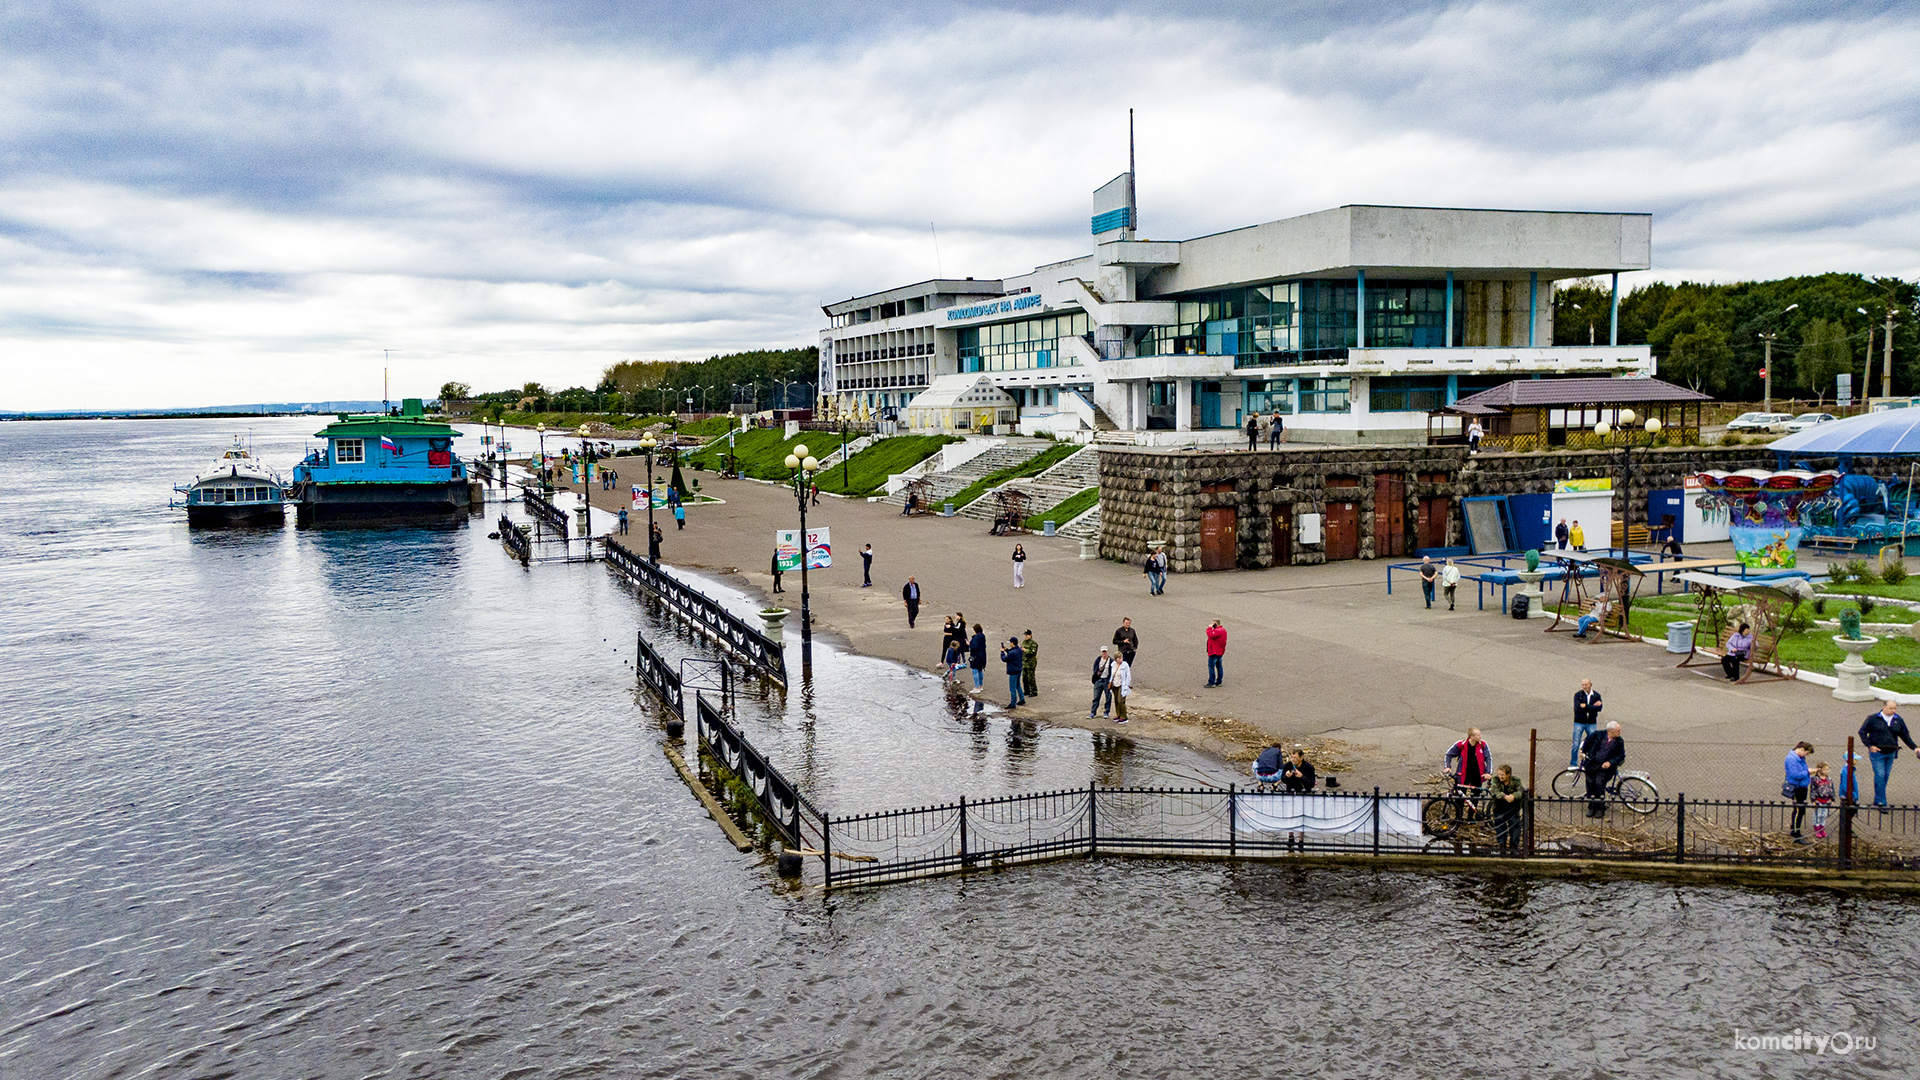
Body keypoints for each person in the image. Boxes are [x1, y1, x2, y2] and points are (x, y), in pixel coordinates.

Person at [1858, 699, 1918, 809]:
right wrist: (1870, 745)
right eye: (1891, 708)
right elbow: (1862, 732)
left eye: (1895, 708)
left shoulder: (1898, 720)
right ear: (1884, 707)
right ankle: (1882, 803)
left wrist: (1915, 748)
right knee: (1880, 775)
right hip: (1877, 753)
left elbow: (1905, 735)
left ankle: (1878, 799)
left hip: (1891, 752)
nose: (1894, 711)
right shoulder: (1873, 719)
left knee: (1885, 776)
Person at [1580, 721, 1625, 818]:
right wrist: (1582, 751)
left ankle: (1600, 808)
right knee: (1590, 783)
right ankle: (1591, 807)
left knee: (1599, 783)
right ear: (1611, 731)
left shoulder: (1619, 741)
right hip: (1592, 764)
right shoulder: (1597, 735)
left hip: (1606, 768)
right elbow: (1587, 741)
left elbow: (1621, 755)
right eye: (1618, 730)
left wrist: (1610, 762)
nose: (1620, 732)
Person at [1488, 764, 1526, 854]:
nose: (1500, 776)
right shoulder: (1495, 780)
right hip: (1499, 808)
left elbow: (1520, 791)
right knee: (1500, 829)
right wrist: (1505, 796)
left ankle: (1513, 848)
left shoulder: (1516, 781)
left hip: (1512, 808)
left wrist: (1513, 796)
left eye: (1502, 775)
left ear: (1508, 775)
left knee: (1515, 829)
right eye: (1499, 774)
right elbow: (1494, 791)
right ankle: (1502, 848)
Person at [1785, 740, 1814, 843]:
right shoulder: (1791, 759)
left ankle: (1795, 829)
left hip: (1802, 787)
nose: (1806, 755)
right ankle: (1796, 833)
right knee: (1799, 810)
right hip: (1797, 787)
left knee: (1799, 810)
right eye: (1806, 753)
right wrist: (1807, 772)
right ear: (1802, 749)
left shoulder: (1800, 758)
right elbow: (1794, 774)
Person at [1572, 679, 1603, 767]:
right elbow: (1578, 708)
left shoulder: (1596, 695)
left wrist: (1586, 706)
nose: (1584, 687)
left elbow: (1599, 708)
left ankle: (1591, 762)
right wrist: (1592, 707)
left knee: (1593, 742)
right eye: (1583, 685)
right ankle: (1573, 764)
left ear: (1590, 685)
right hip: (1579, 722)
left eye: (1586, 685)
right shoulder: (1578, 695)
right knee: (1576, 743)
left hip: (1591, 723)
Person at [1811, 761, 1835, 840]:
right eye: (1825, 770)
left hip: (1826, 800)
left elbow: (1831, 789)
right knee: (1817, 815)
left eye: (1828, 770)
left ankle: (1822, 828)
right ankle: (1817, 829)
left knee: (1823, 815)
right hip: (1818, 800)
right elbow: (1813, 790)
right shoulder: (1815, 779)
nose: (1826, 772)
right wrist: (1813, 799)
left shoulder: (1829, 779)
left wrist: (1832, 798)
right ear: (1819, 770)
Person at [1088, 646, 1115, 718]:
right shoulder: (1098, 660)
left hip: (1106, 681)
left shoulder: (1111, 660)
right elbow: (1095, 669)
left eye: (1105, 652)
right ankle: (1093, 712)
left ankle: (1106, 712)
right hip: (1099, 681)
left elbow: (1112, 671)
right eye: (1103, 652)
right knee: (1096, 697)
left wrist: (1110, 681)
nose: (1104, 653)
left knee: (1108, 697)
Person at [1001, 637, 1026, 707]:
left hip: (1013, 671)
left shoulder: (1012, 653)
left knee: (1012, 688)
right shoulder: (1019, 650)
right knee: (1018, 685)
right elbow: (1011, 653)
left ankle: (1013, 703)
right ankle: (1022, 699)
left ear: (1012, 643)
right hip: (1018, 670)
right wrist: (1006, 650)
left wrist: (1002, 652)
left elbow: (1004, 659)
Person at [1109, 652, 1132, 723]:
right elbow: (1112, 674)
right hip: (1114, 684)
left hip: (1122, 685)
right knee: (1116, 700)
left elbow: (1128, 676)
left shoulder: (1125, 665)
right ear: (1116, 659)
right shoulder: (1113, 665)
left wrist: (1127, 685)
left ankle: (1124, 717)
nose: (1120, 659)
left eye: (1121, 658)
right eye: (1119, 658)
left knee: (1121, 700)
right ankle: (1118, 715)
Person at [1204, 619, 1227, 687]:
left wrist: (1209, 627)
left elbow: (1210, 634)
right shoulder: (1223, 630)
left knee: (1211, 666)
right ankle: (1219, 681)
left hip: (1214, 651)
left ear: (1215, 623)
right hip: (1220, 651)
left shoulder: (1217, 631)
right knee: (1219, 666)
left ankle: (1212, 682)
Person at [968, 623, 988, 691]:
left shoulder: (976, 638)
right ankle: (980, 685)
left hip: (976, 657)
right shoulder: (983, 636)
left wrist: (969, 644)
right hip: (982, 656)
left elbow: (974, 647)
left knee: (975, 671)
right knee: (980, 670)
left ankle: (977, 687)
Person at [1021, 630, 1039, 699]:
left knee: (1030, 677)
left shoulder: (1033, 643)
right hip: (1025, 662)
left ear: (1030, 635)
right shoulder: (1024, 642)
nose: (1026, 636)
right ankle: (1026, 690)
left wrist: (1025, 650)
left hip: (1031, 663)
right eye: (1025, 635)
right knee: (1024, 677)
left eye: (1027, 635)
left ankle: (1033, 691)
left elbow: (1033, 652)